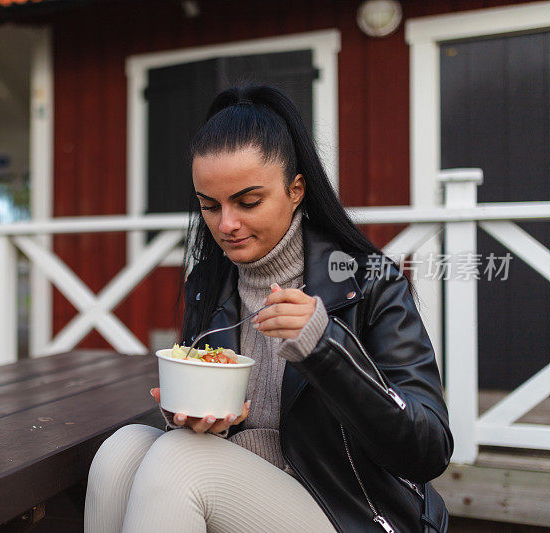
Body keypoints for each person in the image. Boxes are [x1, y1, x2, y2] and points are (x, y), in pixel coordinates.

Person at [84, 85, 453, 532]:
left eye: (248, 201)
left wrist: (327, 347)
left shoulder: (367, 280)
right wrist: (204, 421)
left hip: (349, 514)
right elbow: (218, 430)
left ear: (295, 190)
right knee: (120, 450)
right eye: (209, 205)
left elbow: (428, 450)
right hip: (248, 498)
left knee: (178, 461)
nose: (226, 224)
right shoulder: (208, 284)